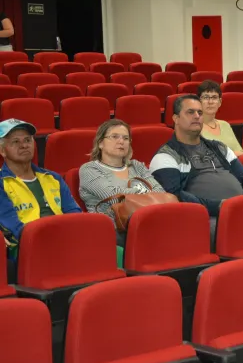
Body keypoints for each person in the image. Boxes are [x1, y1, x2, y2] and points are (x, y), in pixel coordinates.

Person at [149, 95, 243, 241]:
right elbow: (174, 196)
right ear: (176, 118)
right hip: (204, 218)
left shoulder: (220, 148)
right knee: (236, 230)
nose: (197, 116)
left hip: (238, 210)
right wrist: (219, 206)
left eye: (200, 112)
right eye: (190, 112)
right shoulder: (165, 156)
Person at [0, 119, 82, 279]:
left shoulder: (53, 177)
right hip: (28, 247)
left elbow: (74, 214)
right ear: (2, 150)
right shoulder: (1, 183)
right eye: (15, 142)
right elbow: (14, 229)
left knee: (112, 250)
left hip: (65, 240)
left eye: (27, 140)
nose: (24, 145)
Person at [79, 120, 166, 243]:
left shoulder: (136, 166)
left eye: (126, 138)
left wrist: (133, 194)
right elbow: (115, 198)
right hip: (112, 231)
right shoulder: (89, 169)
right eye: (114, 137)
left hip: (148, 223)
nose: (121, 141)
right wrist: (145, 192)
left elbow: (161, 193)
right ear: (100, 143)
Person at [198, 80, 243, 156]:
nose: (210, 102)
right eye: (206, 97)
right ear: (199, 101)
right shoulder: (194, 127)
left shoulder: (225, 125)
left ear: (220, 102)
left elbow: (241, 153)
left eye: (214, 97)